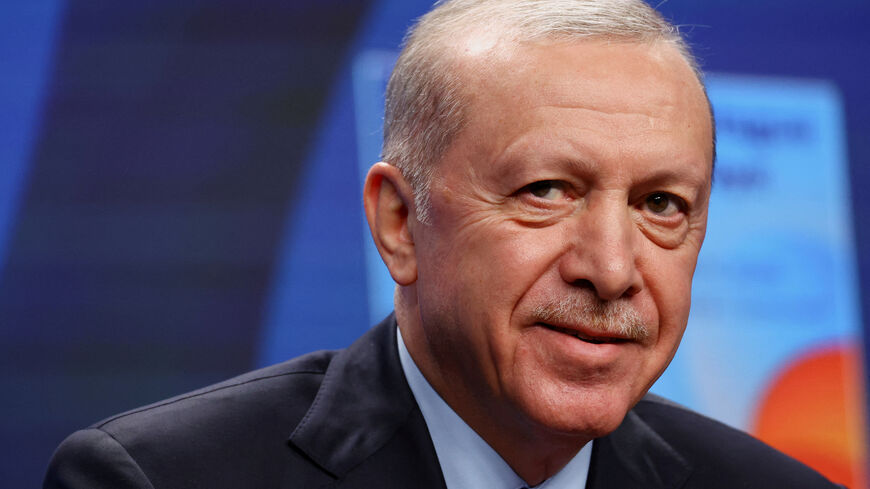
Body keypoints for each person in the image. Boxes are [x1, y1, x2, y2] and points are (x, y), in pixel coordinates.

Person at [44, 0, 844, 488]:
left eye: (661, 203)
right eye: (547, 190)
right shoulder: (157, 480)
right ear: (400, 222)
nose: (611, 268)